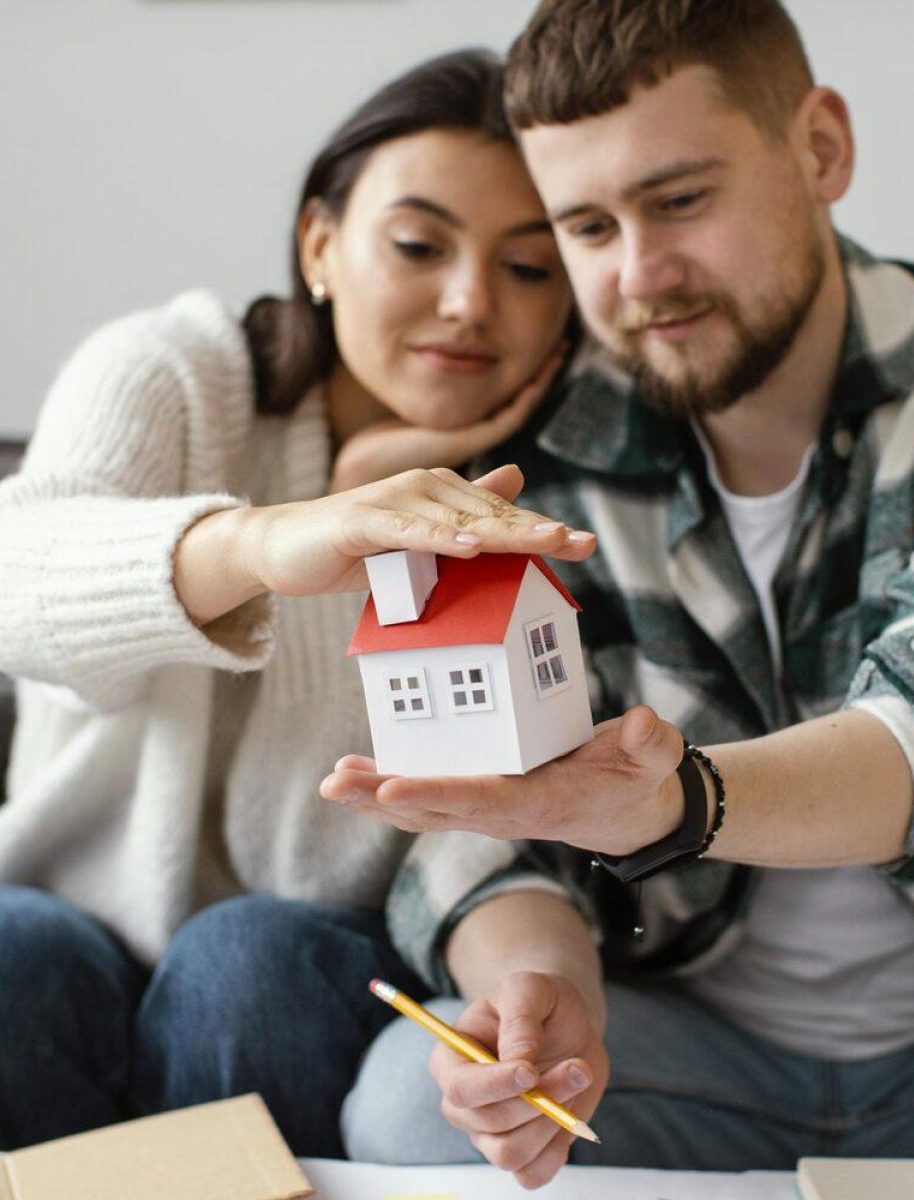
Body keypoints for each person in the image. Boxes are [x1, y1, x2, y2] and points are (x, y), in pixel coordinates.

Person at [331, 1, 914, 1188]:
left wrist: (673, 801)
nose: (639, 276)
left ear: (820, 148)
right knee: (408, 1105)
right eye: (587, 226)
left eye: (681, 200)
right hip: (690, 1051)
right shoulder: (555, 440)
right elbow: (488, 834)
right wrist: (540, 994)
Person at [0, 48, 595, 1156]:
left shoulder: (553, 499)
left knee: (246, 962)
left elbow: (503, 808)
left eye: (528, 266)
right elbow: (16, 579)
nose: (470, 303)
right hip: (63, 920)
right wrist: (281, 537)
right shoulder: (175, 372)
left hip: (299, 957)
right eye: (419, 246)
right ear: (319, 244)